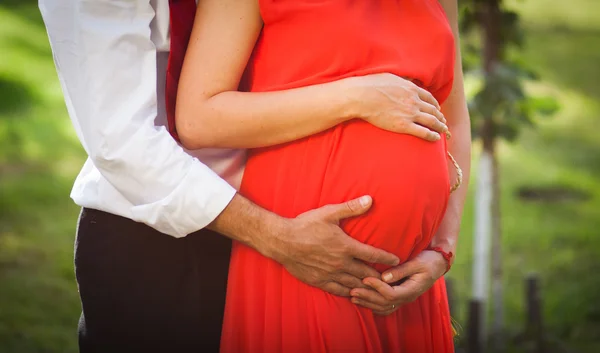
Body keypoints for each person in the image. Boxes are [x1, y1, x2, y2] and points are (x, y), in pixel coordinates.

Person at [38, 0, 454, 352]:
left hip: (278, 231)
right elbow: (122, 144)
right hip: (161, 240)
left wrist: (440, 243)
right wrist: (275, 236)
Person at [174, 0, 471, 352]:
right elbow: (198, 119)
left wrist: (441, 249)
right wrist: (358, 97)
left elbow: (453, 116)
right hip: (311, 255)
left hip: (412, 281)